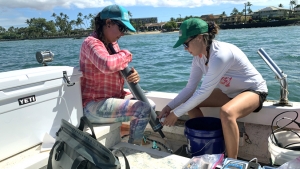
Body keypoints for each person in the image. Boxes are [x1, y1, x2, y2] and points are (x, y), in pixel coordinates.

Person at [158, 18, 268, 158]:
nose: (185, 49)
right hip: (228, 93)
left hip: (254, 91)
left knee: (227, 113)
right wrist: (169, 107)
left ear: (199, 38)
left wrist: (176, 114)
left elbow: (204, 92)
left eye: (186, 44)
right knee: (190, 104)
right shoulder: (198, 58)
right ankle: (207, 143)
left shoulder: (220, 54)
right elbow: (190, 88)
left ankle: (231, 162)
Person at [80, 4, 153, 145]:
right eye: (122, 28)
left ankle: (130, 138)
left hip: (111, 98)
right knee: (143, 109)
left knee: (151, 105)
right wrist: (127, 53)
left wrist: (133, 75)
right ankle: (135, 147)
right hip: (93, 105)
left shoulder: (113, 45)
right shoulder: (91, 43)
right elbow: (107, 64)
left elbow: (118, 68)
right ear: (108, 23)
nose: (123, 33)